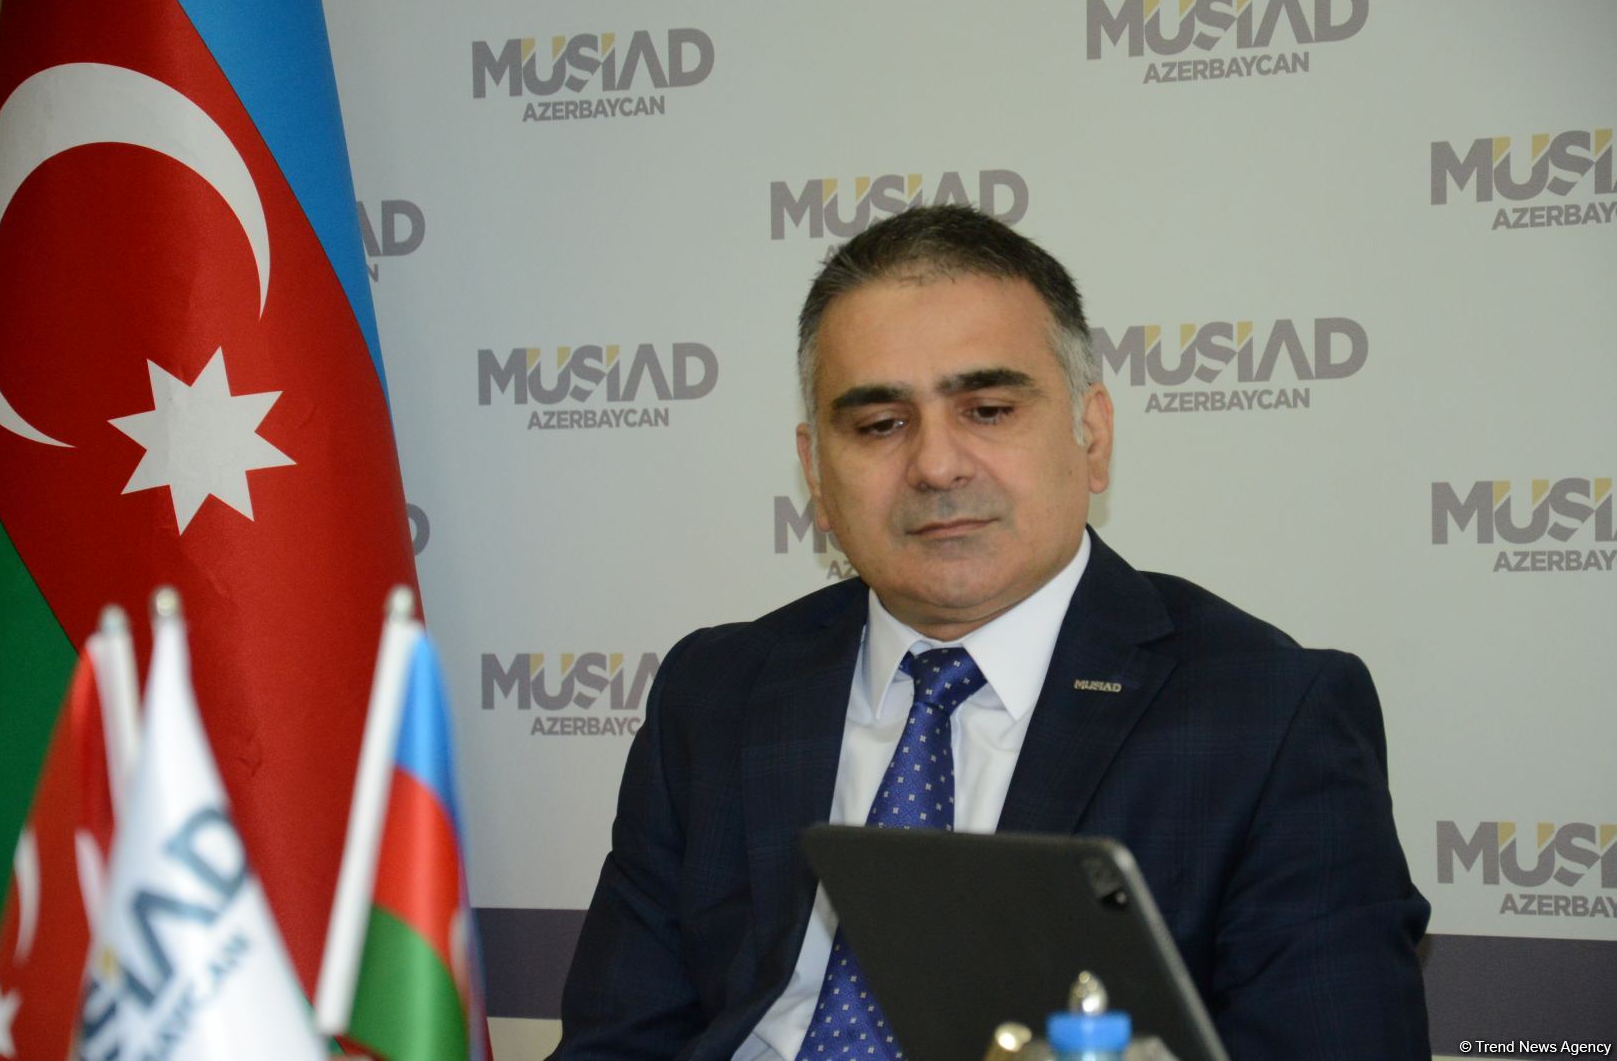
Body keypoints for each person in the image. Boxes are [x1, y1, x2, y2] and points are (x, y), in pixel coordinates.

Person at [553, 206, 1429, 1059]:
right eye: (880, 425)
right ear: (816, 473)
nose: (936, 466)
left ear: (1092, 434)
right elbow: (616, 1039)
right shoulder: (715, 692)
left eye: (989, 411)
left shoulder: (1270, 717)